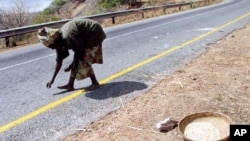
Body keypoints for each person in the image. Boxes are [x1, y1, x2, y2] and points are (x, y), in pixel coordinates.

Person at [37, 18, 106, 91]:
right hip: (83, 37)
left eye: (52, 46)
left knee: (83, 59)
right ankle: (70, 84)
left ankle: (95, 83)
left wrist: (72, 64)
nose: (52, 48)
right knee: (76, 60)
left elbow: (80, 51)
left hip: (93, 32)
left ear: (55, 41)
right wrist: (52, 79)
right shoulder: (58, 41)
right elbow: (59, 61)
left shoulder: (68, 37)